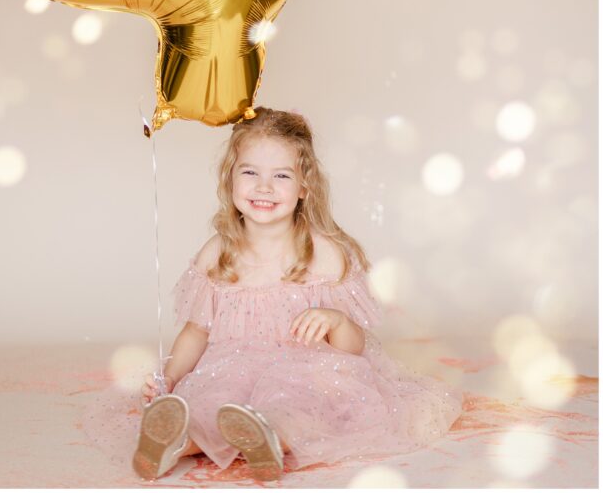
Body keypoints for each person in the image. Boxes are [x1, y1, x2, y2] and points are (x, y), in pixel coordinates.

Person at [132, 106, 464, 481]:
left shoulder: (324, 254)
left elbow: (352, 347)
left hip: (309, 371)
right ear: (229, 180)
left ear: (305, 186)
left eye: (281, 175)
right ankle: (173, 441)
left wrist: (335, 320)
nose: (264, 187)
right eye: (250, 172)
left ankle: (270, 438)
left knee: (302, 405)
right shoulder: (218, 253)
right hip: (232, 368)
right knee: (212, 404)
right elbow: (196, 332)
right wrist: (170, 377)